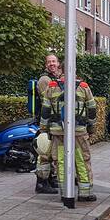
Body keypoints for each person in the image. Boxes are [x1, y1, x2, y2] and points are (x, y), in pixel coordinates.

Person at [40, 69, 97, 201]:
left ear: (61, 71)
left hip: (58, 132)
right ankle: (85, 193)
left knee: (60, 161)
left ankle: (65, 193)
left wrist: (43, 129)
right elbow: (92, 108)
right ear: (75, 70)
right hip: (79, 132)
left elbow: (45, 110)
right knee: (82, 160)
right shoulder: (83, 86)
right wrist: (91, 126)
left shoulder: (52, 86)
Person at [33, 54, 62, 194]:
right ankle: (41, 183)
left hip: (53, 121)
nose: (52, 64)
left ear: (58, 63)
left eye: (54, 61)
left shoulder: (54, 78)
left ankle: (50, 179)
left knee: (51, 152)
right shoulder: (45, 79)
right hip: (47, 121)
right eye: (49, 62)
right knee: (45, 152)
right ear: (46, 65)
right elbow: (50, 100)